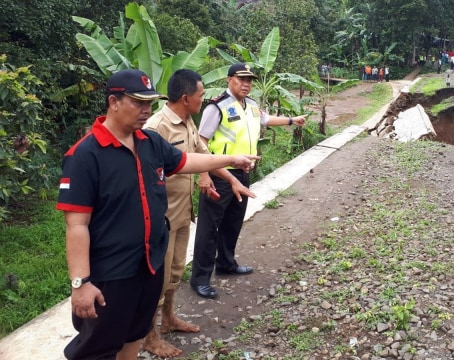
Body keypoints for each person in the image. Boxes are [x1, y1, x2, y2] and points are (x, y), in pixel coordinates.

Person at [56, 68, 257, 360]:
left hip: (148, 264)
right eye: (138, 102)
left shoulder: (148, 142)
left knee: (133, 336)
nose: (146, 110)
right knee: (97, 348)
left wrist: (231, 160)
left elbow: (187, 160)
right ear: (114, 102)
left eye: (149, 103)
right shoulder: (85, 155)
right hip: (110, 273)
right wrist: (80, 283)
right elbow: (76, 225)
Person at [189, 63, 306, 299]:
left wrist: (292, 121)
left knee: (233, 223)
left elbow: (265, 120)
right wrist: (202, 174)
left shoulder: (251, 105)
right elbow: (199, 141)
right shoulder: (217, 107)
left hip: (242, 173)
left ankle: (226, 264)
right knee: (209, 228)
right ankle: (200, 278)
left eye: (250, 80)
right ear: (229, 80)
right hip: (219, 174)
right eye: (241, 79)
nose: (247, 84)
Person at [140, 69, 212, 357]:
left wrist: (220, 176)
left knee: (175, 271)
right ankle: (149, 336)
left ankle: (169, 319)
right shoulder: (156, 127)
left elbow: (201, 153)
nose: (203, 99)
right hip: (161, 220)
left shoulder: (187, 120)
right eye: (201, 95)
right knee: (155, 280)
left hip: (183, 213)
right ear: (186, 98)